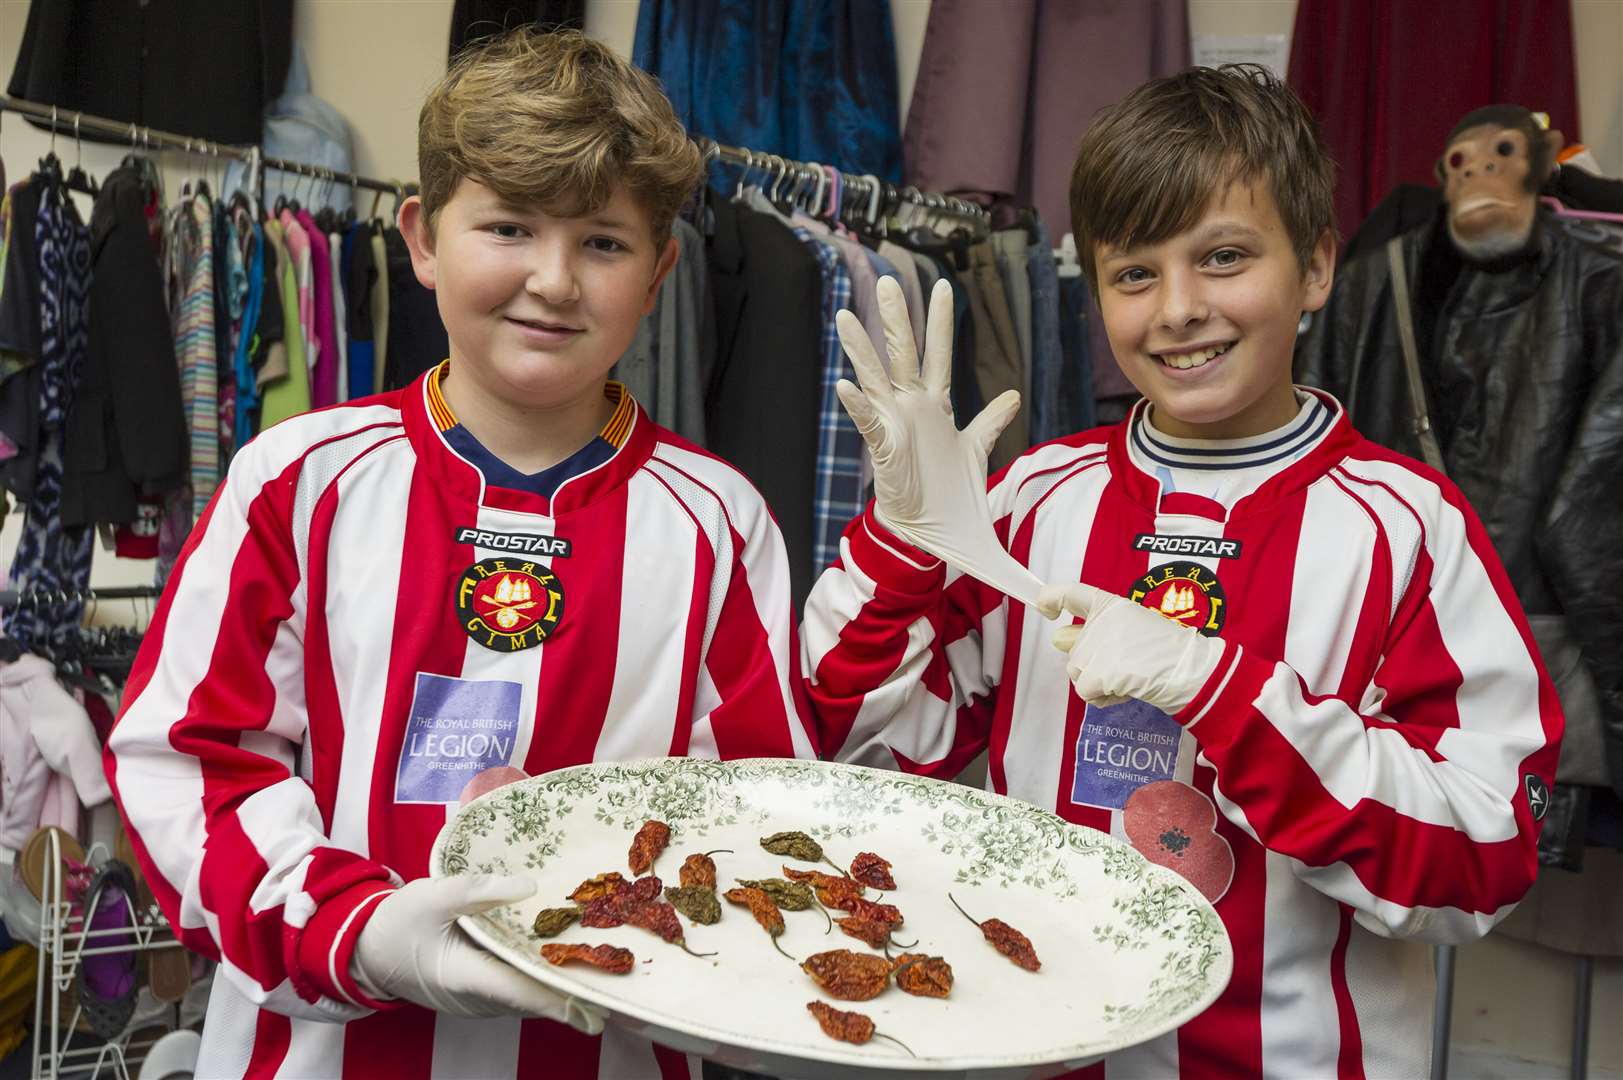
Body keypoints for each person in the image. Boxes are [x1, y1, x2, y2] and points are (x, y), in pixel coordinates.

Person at [801, 64, 1562, 1077]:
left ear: (1319, 266)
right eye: (1135, 274)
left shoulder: (1406, 528)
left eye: (1225, 258)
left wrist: (1222, 691)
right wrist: (900, 542)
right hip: (1034, 1049)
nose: (1178, 309)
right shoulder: (1033, 499)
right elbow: (851, 748)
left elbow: (1484, 860)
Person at [105, 28, 816, 1079]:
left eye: (604, 243)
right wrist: (357, 932)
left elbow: (757, 806)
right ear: (422, 238)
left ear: (662, 271)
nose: (555, 280)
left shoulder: (718, 521)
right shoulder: (296, 480)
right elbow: (194, 760)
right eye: (510, 227)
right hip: (317, 1051)